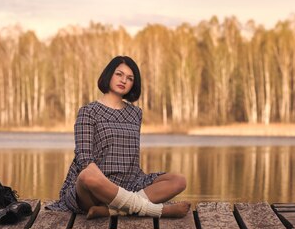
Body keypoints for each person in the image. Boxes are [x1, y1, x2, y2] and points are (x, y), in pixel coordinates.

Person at [47, 56, 190, 219]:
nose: (124, 80)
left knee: (179, 180)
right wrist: (105, 185)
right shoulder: (88, 111)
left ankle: (111, 211)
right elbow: (85, 160)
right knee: (87, 175)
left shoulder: (135, 113)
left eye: (130, 78)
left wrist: (126, 189)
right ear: (108, 75)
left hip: (130, 182)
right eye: (119, 74)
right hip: (94, 189)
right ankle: (156, 211)